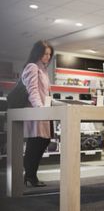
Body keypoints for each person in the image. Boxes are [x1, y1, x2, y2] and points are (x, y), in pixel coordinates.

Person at [21, 40, 54, 187]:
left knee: (42, 141)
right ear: (38, 53)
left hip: (44, 111)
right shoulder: (32, 67)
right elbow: (32, 91)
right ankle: (30, 176)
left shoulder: (44, 70)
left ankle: (31, 176)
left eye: (49, 54)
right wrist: (40, 109)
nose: (47, 56)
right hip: (37, 111)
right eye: (45, 53)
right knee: (35, 143)